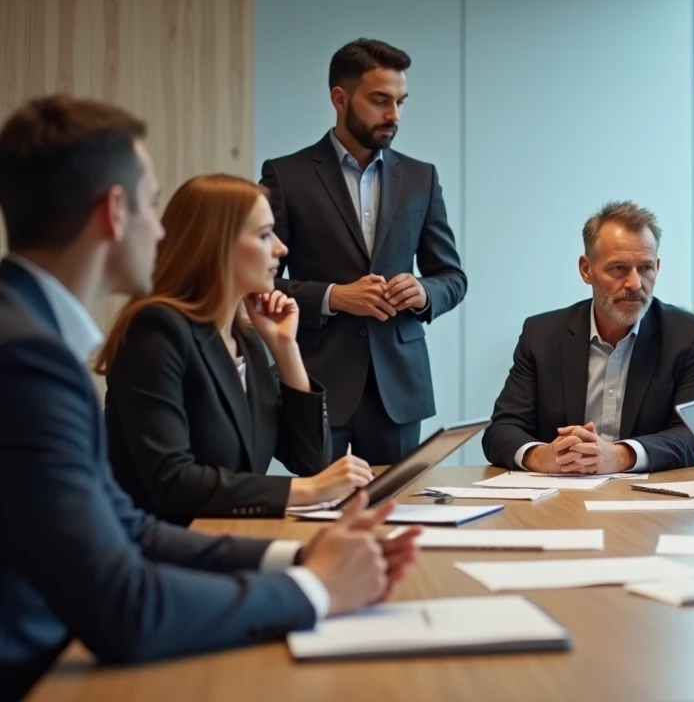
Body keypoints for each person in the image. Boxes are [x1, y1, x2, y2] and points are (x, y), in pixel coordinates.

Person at [0, 95, 420, 698]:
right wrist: (316, 589)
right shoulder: (28, 359)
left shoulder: (31, 336)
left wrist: (302, 561)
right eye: (151, 204)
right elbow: (124, 604)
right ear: (114, 213)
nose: (162, 228)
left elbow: (129, 528)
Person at [96, 174, 375, 525]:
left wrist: (286, 350)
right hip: (162, 554)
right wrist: (304, 491)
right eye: (263, 235)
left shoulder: (246, 341)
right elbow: (172, 482)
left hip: (227, 542)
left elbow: (312, 462)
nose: (280, 248)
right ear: (215, 245)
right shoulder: (155, 330)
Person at [260, 38, 467, 464]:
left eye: (400, 102)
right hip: (318, 380)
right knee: (320, 507)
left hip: (399, 386)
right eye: (379, 101)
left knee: (397, 511)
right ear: (340, 98)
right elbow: (261, 282)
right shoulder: (286, 175)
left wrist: (424, 292)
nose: (393, 115)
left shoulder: (420, 178)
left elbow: (452, 277)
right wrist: (335, 296)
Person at [482, 201, 694, 474]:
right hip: (560, 499)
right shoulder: (542, 335)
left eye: (645, 268)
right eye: (618, 268)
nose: (634, 284)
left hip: (646, 501)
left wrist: (620, 455)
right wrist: (541, 456)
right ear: (586, 269)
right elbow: (501, 430)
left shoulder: (688, 335)